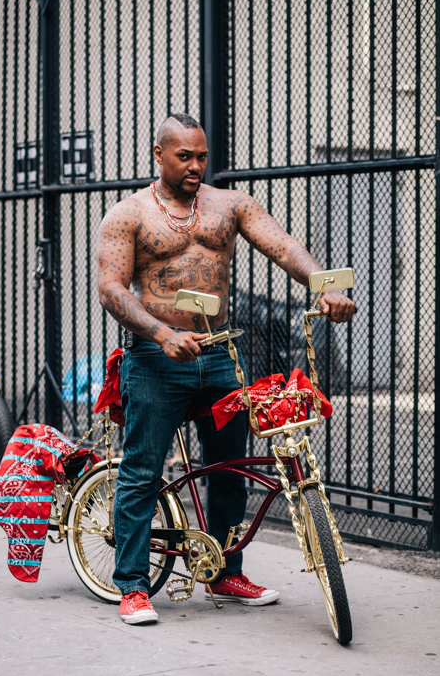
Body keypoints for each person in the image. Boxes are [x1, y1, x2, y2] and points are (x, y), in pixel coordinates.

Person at [96, 113, 356, 625]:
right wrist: (162, 334)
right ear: (158, 155)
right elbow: (111, 288)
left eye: (202, 156)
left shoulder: (230, 205)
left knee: (230, 471)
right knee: (142, 471)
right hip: (156, 358)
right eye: (184, 156)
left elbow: (283, 247)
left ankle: (224, 570)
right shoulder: (127, 215)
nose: (195, 166)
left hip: (219, 354)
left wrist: (325, 287)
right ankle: (131, 584)